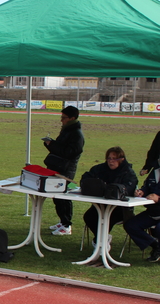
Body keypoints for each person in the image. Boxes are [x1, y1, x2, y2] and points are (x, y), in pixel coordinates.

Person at [80, 147, 137, 249]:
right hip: (101, 205)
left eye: (114, 159)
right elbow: (87, 177)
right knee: (89, 216)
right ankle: (102, 239)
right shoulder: (100, 169)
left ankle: (100, 241)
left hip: (120, 208)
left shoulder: (128, 172)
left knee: (107, 219)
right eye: (109, 158)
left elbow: (129, 188)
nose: (111, 161)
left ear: (121, 160)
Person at [44, 105, 84, 236]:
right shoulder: (67, 130)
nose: (61, 120)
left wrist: (53, 145)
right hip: (57, 166)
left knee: (63, 197)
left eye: (64, 118)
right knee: (57, 197)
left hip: (66, 169)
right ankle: (62, 221)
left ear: (72, 118)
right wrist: (50, 144)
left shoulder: (76, 134)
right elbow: (60, 148)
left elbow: (69, 153)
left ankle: (67, 225)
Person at [124, 167, 160, 262]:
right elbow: (147, 186)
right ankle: (156, 246)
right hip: (153, 212)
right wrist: (141, 192)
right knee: (131, 225)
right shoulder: (155, 172)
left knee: (159, 229)